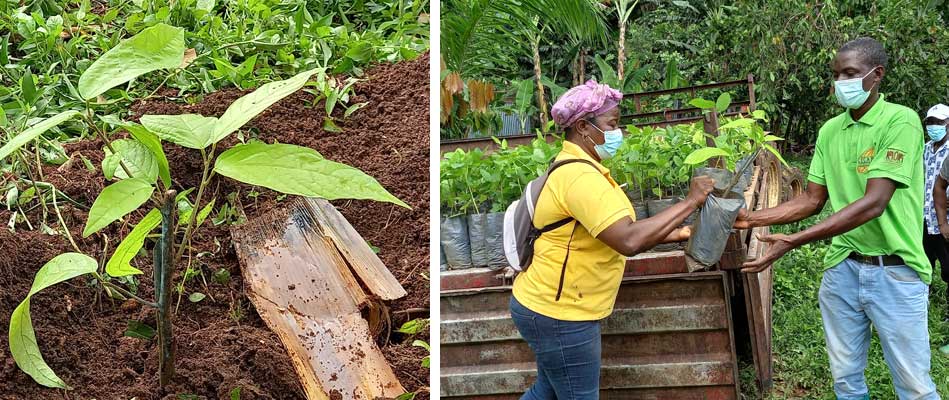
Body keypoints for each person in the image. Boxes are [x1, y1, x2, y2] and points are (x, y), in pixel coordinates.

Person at [734, 37, 939, 399]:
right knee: (845, 381)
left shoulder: (900, 121)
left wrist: (796, 240)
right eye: (835, 74)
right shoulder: (831, 130)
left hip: (896, 270)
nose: (840, 83)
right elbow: (812, 199)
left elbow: (874, 202)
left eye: (850, 73)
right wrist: (750, 218)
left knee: (914, 386)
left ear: (876, 75)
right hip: (843, 268)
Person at [509, 80, 715, 400]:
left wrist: (678, 232)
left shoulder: (583, 167)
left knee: (546, 392)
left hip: (546, 304)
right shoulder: (579, 177)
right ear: (583, 127)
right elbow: (628, 240)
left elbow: (608, 230)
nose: (619, 133)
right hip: (561, 314)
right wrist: (690, 202)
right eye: (612, 125)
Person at [922, 104, 949, 304]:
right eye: (930, 122)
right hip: (924, 215)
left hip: (945, 218)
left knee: (948, 265)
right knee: (924, 261)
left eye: (938, 122)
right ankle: (924, 299)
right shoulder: (926, 148)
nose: (933, 126)